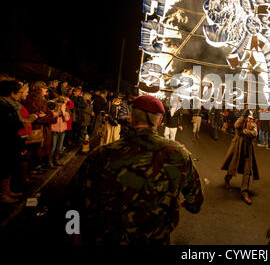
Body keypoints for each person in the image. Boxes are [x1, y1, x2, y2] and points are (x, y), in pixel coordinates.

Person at [70, 95, 204, 245]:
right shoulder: (178, 154)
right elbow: (195, 203)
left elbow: (73, 200)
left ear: (131, 118)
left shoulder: (102, 154)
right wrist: (179, 204)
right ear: (159, 121)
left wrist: (73, 234)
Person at [221, 109, 259, 205]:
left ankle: (244, 191)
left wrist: (244, 131)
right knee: (232, 165)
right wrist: (242, 117)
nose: (250, 120)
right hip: (237, 148)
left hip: (248, 150)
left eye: (251, 119)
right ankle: (227, 178)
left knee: (247, 171)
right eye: (248, 118)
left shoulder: (253, 125)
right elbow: (236, 125)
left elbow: (254, 133)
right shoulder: (241, 121)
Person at [0, 80, 27, 203]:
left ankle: (7, 190)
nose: (20, 94)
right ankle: (2, 195)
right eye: (19, 92)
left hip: (12, 140)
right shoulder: (3, 106)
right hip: (5, 141)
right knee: (4, 169)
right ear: (11, 92)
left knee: (9, 167)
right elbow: (9, 125)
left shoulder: (11, 105)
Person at [24, 81, 56, 171]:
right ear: (38, 89)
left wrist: (47, 115)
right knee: (34, 150)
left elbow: (48, 114)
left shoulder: (43, 100)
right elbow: (34, 116)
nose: (46, 90)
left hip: (44, 128)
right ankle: (31, 170)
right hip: (37, 129)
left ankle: (38, 166)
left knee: (41, 149)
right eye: (44, 88)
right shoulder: (31, 100)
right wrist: (47, 116)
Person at [49, 98, 70, 167]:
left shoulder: (65, 111)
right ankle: (50, 161)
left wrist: (63, 112)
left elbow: (67, 119)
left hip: (62, 131)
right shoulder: (53, 111)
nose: (65, 107)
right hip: (54, 130)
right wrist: (58, 111)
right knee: (53, 147)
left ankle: (56, 160)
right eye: (64, 106)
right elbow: (52, 116)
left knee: (59, 147)